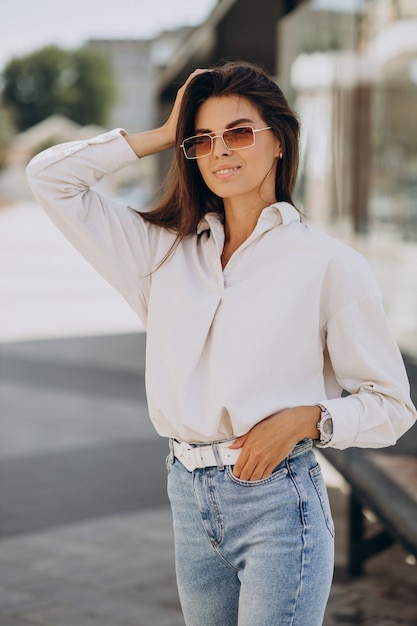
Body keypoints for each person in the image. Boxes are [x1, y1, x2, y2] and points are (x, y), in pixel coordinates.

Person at [26, 60, 416, 626]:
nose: (220, 151)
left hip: (279, 501)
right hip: (188, 496)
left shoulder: (329, 265)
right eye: (202, 139)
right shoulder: (160, 254)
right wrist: (162, 135)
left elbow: (393, 406)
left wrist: (307, 418)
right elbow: (51, 177)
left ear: (278, 142)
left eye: (238, 133)